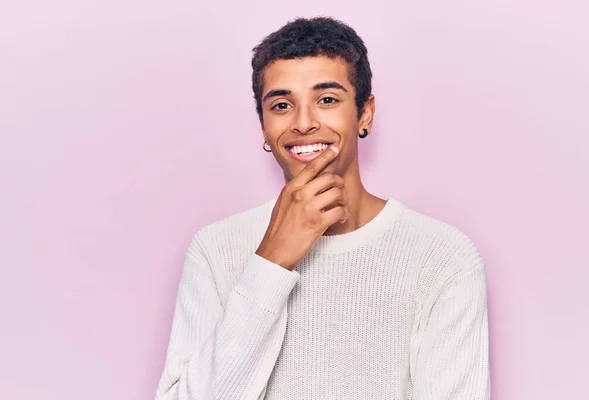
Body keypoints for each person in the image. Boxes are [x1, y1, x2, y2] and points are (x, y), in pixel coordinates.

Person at [155, 16, 490, 400]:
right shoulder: (214, 250)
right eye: (282, 105)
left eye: (327, 100)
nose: (303, 123)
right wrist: (271, 261)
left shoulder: (443, 257)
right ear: (264, 126)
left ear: (364, 113)